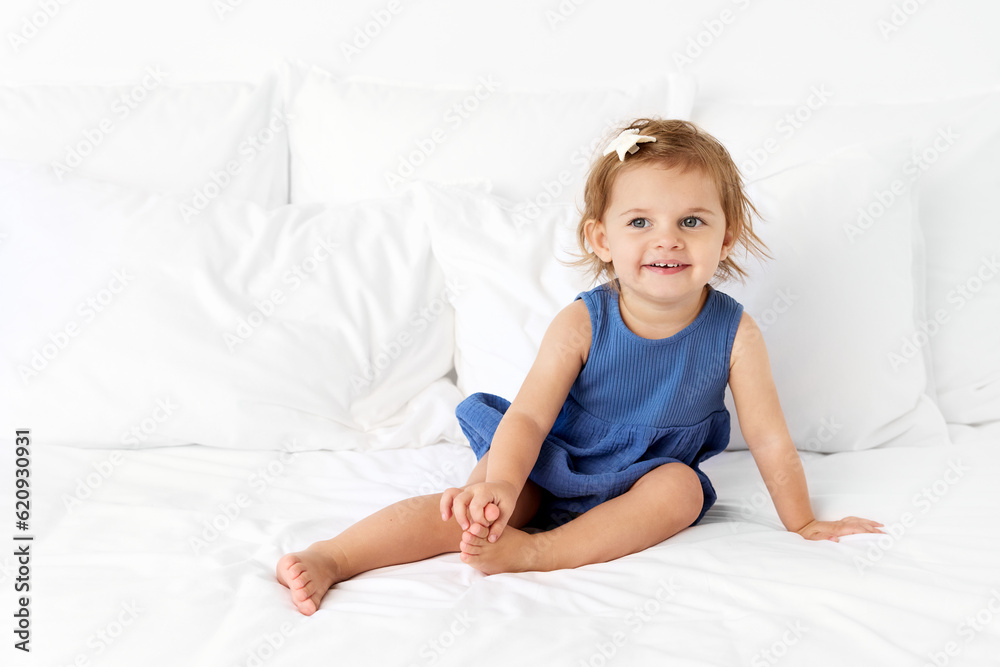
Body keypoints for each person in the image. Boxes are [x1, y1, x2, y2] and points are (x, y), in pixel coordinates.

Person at [276, 118, 884, 616]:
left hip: (646, 476)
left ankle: (539, 554)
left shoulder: (735, 333)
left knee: (680, 490)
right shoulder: (583, 322)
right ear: (601, 240)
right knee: (478, 509)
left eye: (692, 221)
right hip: (550, 458)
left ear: (725, 240)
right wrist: (499, 484)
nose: (667, 239)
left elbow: (770, 438)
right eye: (640, 222)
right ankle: (336, 555)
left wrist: (803, 522)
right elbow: (529, 418)